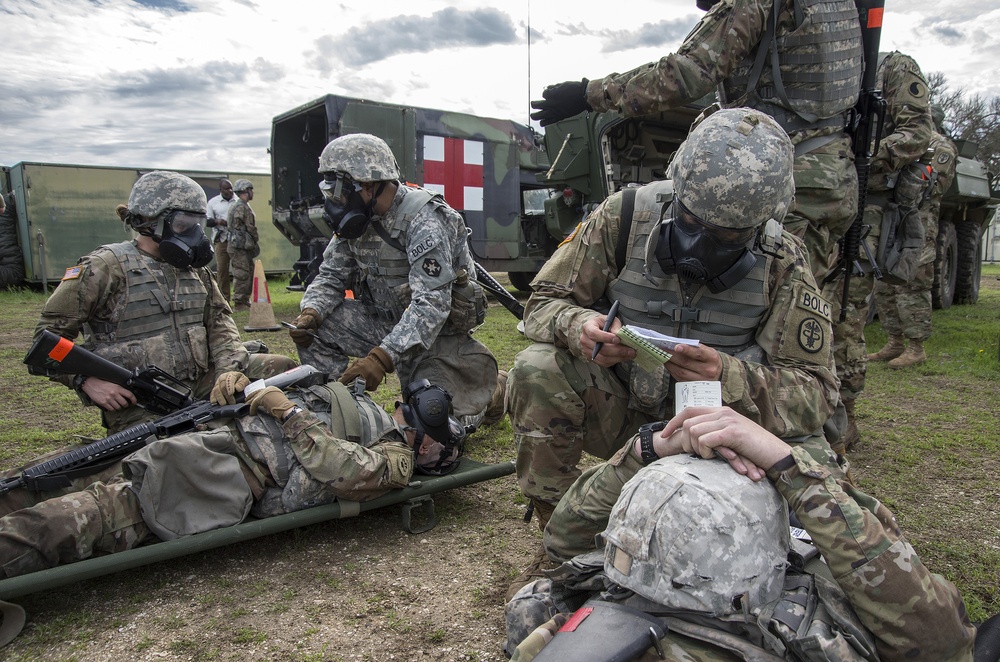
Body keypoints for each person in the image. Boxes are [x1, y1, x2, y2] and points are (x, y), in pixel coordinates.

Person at [505, 108, 840, 597]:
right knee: (537, 368)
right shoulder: (623, 216)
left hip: (722, 428)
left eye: (727, 236)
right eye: (689, 219)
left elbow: (817, 393)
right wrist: (580, 326)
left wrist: (730, 375)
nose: (699, 244)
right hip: (623, 410)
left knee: (819, 468)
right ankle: (563, 534)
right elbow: (540, 303)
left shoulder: (783, 260)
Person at [504, 407, 976, 661]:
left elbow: (564, 536)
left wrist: (646, 450)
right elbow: (943, 638)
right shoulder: (823, 608)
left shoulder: (556, 608)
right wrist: (792, 468)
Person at [529, 0, 863, 287]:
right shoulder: (837, 8)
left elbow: (686, 72)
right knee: (814, 301)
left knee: (755, 303)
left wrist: (591, 93)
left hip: (777, 183)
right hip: (835, 172)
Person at [0, 375, 466, 578]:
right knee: (45, 475)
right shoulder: (353, 399)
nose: (399, 410)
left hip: (212, 478)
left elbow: (342, 470)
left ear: (424, 445)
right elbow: (284, 374)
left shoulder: (395, 462)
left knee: (66, 520)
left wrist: (289, 415)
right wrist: (241, 377)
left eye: (409, 413)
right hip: (198, 435)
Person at [33, 170, 297, 434]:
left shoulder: (195, 270)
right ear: (150, 222)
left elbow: (219, 322)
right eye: (184, 224)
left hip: (203, 380)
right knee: (185, 452)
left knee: (285, 370)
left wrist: (229, 371)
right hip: (144, 398)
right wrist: (84, 380)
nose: (193, 233)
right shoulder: (104, 268)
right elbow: (45, 344)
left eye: (196, 223)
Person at [288, 133, 505, 431]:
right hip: (383, 324)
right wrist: (311, 311)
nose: (334, 200)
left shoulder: (424, 219)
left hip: (436, 337)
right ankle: (340, 407)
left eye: (339, 189)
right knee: (319, 327)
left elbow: (431, 306)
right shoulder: (358, 220)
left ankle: (496, 393)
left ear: (366, 184)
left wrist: (381, 357)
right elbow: (331, 275)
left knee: (432, 425)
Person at [834, 51, 933, 450]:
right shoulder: (821, 64)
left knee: (846, 313)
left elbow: (917, 133)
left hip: (864, 206)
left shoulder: (892, 67)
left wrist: (857, 161)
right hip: (816, 201)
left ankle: (844, 418)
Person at [867, 104, 957, 369]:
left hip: (919, 225)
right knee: (884, 282)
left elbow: (933, 186)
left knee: (914, 283)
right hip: (893, 219)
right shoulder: (902, 143)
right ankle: (894, 341)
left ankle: (916, 346)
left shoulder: (940, 147)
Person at [226, 178, 259, 311]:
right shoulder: (241, 207)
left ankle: (244, 300)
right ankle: (239, 302)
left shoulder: (239, 205)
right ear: (246, 191)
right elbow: (249, 227)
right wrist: (255, 238)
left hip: (242, 246)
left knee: (247, 272)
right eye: (251, 190)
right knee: (242, 274)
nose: (252, 193)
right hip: (239, 246)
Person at [206, 178, 236, 302]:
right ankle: (224, 298)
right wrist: (217, 221)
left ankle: (240, 299)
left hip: (236, 240)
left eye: (231, 188)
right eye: (226, 188)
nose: (230, 191)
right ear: (221, 190)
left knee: (239, 269)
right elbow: (207, 220)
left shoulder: (238, 201)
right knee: (222, 270)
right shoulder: (213, 202)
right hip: (221, 239)